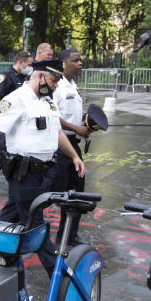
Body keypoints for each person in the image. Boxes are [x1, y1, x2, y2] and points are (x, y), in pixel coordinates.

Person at [0, 60, 85, 274]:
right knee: (35, 225)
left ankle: (0, 259)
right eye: (53, 81)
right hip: (24, 173)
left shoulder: (47, 101)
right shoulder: (16, 100)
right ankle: (59, 275)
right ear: (40, 77)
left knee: (8, 217)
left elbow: (57, 133)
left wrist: (74, 156)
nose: (55, 86)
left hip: (41, 173)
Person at [0, 50, 37, 189]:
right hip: (8, 121)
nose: (30, 68)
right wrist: (3, 116)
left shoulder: (23, 78)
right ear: (20, 62)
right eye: (29, 65)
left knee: (9, 152)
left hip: (19, 122)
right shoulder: (5, 76)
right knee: (6, 152)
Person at [51, 48, 91, 246]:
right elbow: (53, 117)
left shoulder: (73, 86)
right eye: (76, 60)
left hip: (73, 145)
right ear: (65, 64)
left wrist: (87, 125)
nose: (80, 63)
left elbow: (73, 115)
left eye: (80, 60)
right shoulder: (56, 86)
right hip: (58, 146)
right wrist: (76, 127)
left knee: (77, 192)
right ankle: (30, 228)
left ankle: (69, 234)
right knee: (51, 191)